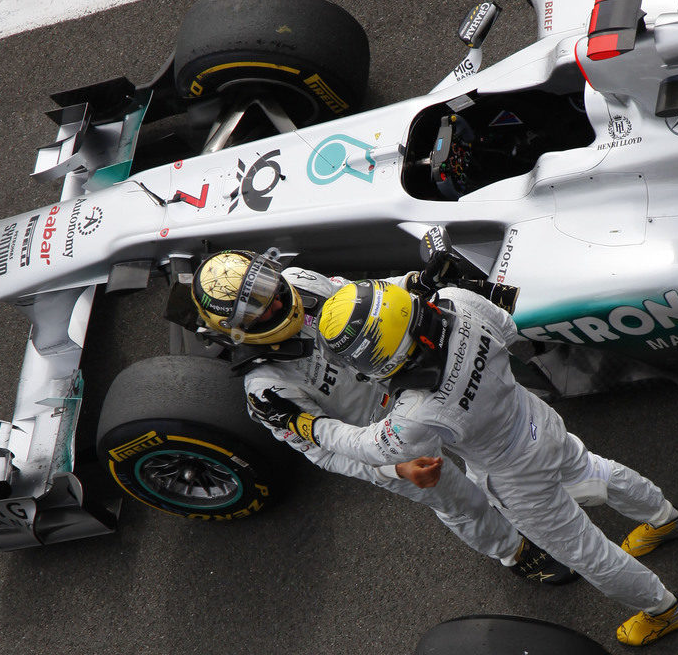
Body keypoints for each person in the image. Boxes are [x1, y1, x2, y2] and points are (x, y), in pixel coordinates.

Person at [282, 277, 678, 645]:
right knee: (593, 469)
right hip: (537, 419)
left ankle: (666, 611)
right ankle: (667, 519)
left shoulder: (415, 413)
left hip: (515, 475)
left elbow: (370, 447)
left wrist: (308, 426)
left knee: (586, 552)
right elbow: (508, 326)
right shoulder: (455, 300)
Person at [189, 250, 574, 583]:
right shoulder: (267, 389)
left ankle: (542, 490)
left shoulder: (299, 280)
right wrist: (393, 471)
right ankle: (513, 551)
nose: (274, 303)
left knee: (500, 442)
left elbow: (365, 297)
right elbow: (324, 453)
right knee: (461, 502)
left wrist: (415, 282)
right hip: (384, 443)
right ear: (236, 329)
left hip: (418, 382)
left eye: (267, 288)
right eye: (258, 308)